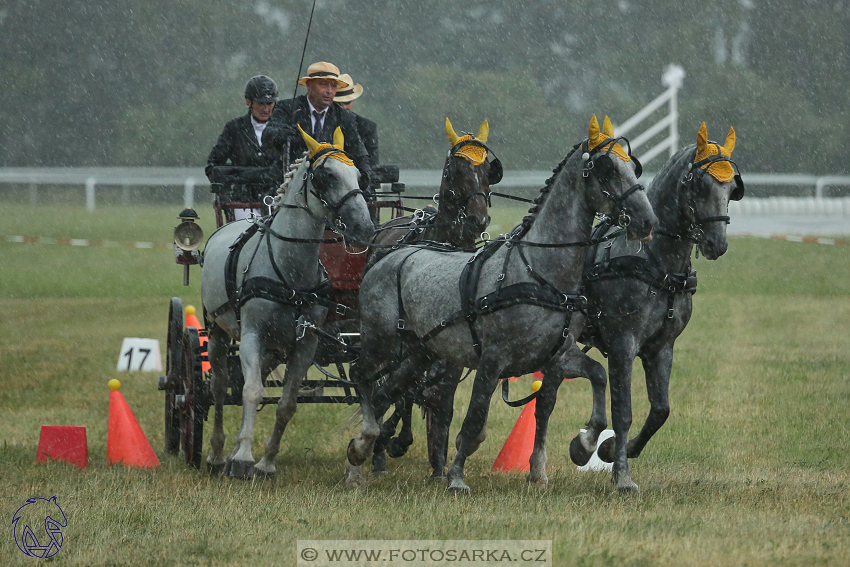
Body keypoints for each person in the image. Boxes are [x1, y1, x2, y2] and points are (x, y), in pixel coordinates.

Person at [263, 62, 374, 189]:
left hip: (330, 186)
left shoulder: (344, 117)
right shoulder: (287, 108)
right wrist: (286, 133)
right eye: (323, 84)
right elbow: (268, 135)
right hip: (290, 185)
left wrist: (365, 175)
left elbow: (359, 151)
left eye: (333, 86)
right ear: (309, 85)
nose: (329, 91)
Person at [205, 75, 281, 183]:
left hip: (278, 196)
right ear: (248, 102)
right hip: (242, 196)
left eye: (269, 103)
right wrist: (237, 179)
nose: (266, 109)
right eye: (260, 104)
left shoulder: (284, 128)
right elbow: (213, 165)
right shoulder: (234, 128)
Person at [334, 73, 379, 168]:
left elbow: (372, 166)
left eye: (347, 103)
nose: (343, 107)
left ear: (353, 100)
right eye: (337, 104)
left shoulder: (367, 128)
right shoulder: (320, 123)